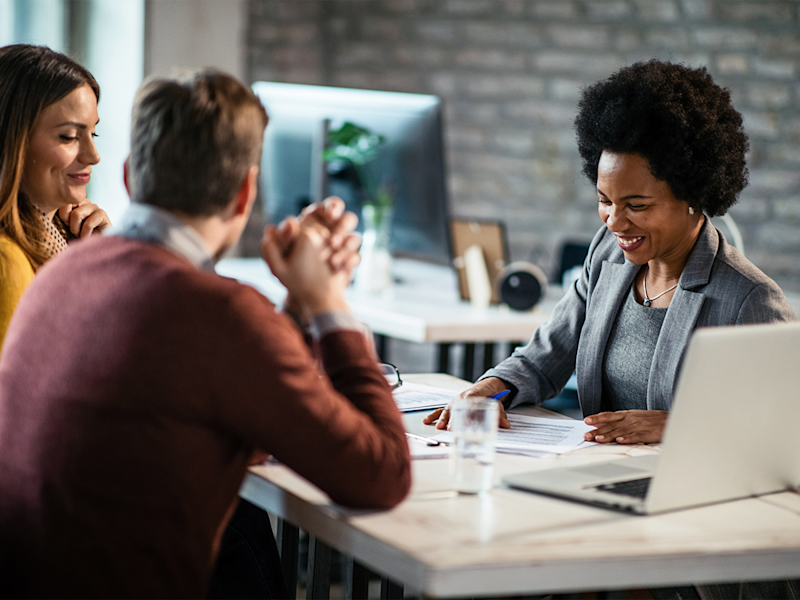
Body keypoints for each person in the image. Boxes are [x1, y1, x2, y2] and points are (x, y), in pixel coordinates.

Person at [0, 69, 410, 598]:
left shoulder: (61, 273)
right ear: (245, 193)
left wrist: (297, 306)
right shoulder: (223, 315)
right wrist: (329, 300)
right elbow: (383, 476)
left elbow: (235, 398)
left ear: (129, 177)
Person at [427, 59, 797, 599]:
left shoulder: (748, 300)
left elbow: (785, 443)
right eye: (604, 201)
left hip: (690, 544)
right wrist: (493, 389)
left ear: (695, 194)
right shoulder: (610, 257)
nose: (614, 223)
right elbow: (546, 354)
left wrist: (678, 426)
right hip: (599, 501)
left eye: (637, 206)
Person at [0, 44, 111, 347]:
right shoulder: (7, 262)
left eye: (93, 134)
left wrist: (100, 258)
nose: (93, 155)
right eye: (70, 136)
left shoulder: (64, 239)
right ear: (12, 142)